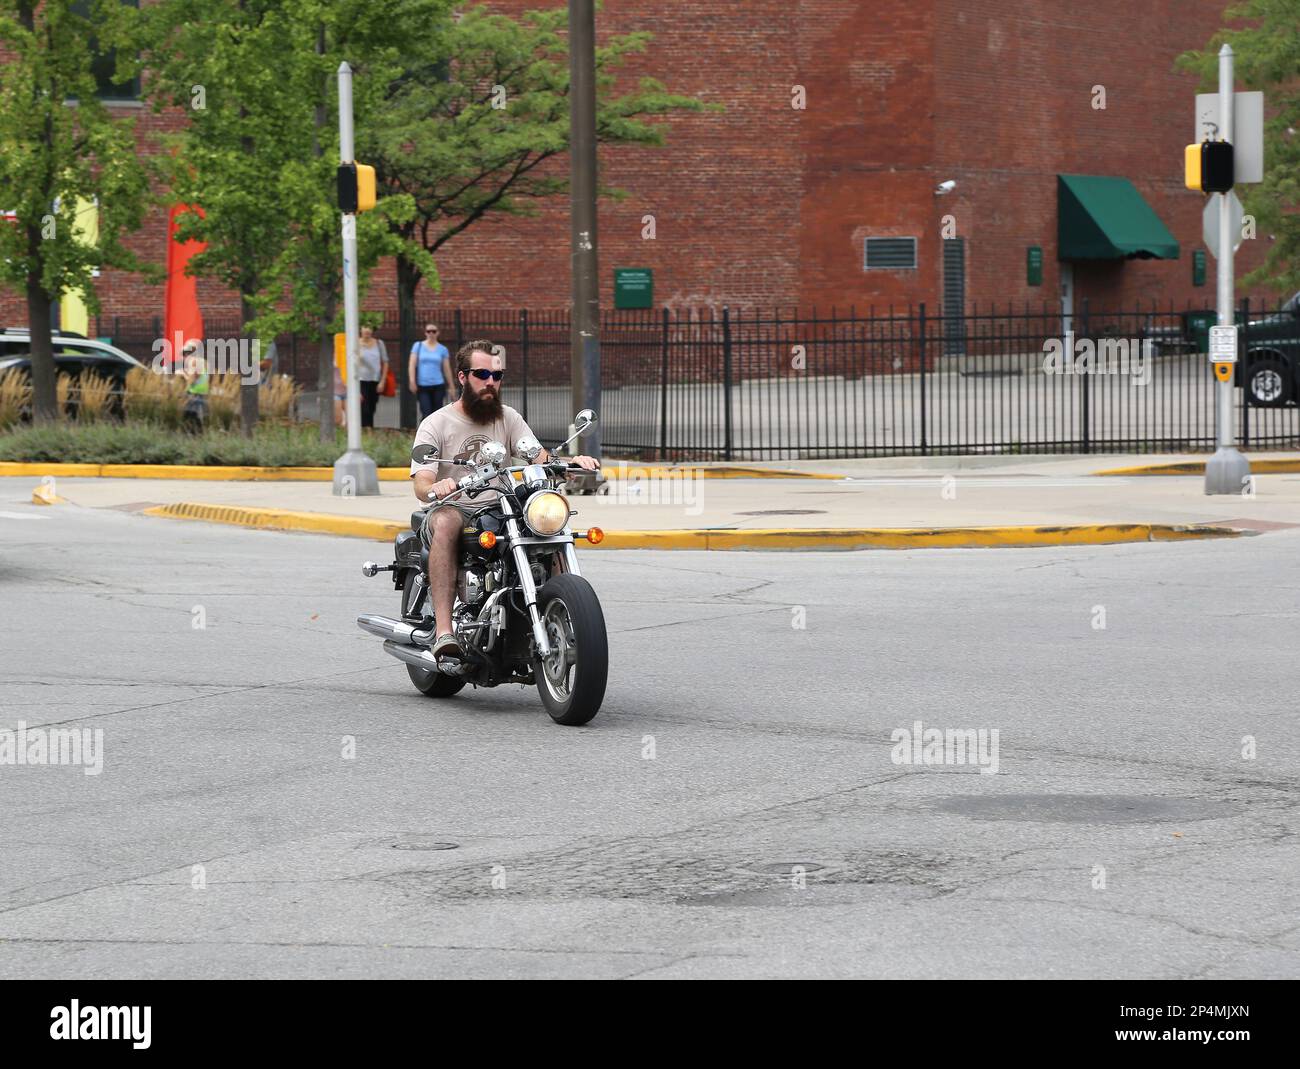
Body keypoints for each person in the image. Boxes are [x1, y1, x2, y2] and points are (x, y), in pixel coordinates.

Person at [410, 339, 599, 661]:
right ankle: (444, 630)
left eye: (497, 376)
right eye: (481, 374)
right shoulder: (437, 423)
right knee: (444, 523)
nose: (490, 382)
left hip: (501, 506)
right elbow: (421, 482)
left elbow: (537, 456)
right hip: (457, 506)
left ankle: (560, 608)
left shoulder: (507, 417)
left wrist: (568, 463)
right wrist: (436, 486)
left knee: (545, 527)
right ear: (461, 377)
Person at [408, 323, 452, 420]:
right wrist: (412, 381)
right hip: (423, 385)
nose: (431, 334)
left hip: (438, 385)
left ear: (438, 333)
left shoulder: (442, 349)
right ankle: (425, 434)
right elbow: (412, 364)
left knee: (437, 413)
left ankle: (437, 434)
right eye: (428, 331)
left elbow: (446, 368)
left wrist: (451, 385)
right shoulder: (418, 346)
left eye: (434, 331)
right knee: (426, 412)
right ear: (425, 333)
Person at [357, 324, 388, 429]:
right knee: (363, 408)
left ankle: (369, 430)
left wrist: (382, 381)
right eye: (365, 327)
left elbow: (385, 362)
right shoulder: (355, 343)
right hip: (360, 381)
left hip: (375, 380)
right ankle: (365, 430)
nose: (367, 330)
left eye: (369, 327)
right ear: (360, 329)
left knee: (371, 407)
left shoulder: (379, 344)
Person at [178, 340, 209, 432]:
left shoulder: (194, 362)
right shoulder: (202, 361)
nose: (183, 357)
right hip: (201, 394)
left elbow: (192, 379)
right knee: (195, 418)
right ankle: (197, 438)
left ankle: (192, 438)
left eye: (184, 354)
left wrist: (182, 374)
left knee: (187, 418)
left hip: (195, 395)